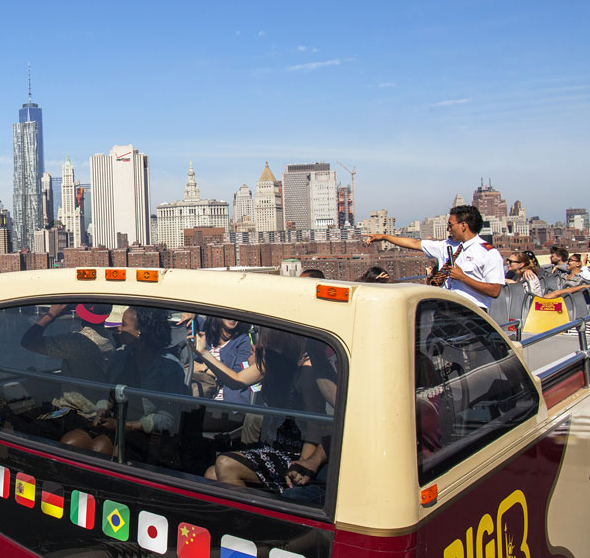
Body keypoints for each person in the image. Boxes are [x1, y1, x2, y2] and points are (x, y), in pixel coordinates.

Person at [196, 327, 333, 493]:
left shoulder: (306, 370)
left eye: (261, 333)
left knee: (225, 463)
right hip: (273, 448)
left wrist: (302, 466)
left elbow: (316, 427)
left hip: (294, 455)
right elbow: (236, 380)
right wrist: (203, 353)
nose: (257, 341)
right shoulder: (273, 362)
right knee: (211, 474)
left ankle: (245, 517)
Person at [60, 306, 186, 456]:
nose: (118, 328)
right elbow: (106, 392)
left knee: (100, 449)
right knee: (69, 443)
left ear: (141, 332)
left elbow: (167, 418)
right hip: (114, 424)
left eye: (124, 325)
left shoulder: (171, 368)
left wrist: (124, 426)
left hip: (145, 433)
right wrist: (101, 410)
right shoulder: (120, 357)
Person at [366, 205, 504, 311]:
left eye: (450, 225)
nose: (448, 229)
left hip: (472, 311)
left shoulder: (488, 253)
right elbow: (414, 243)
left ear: (463, 226)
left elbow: (494, 290)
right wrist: (383, 237)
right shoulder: (445, 246)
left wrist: (463, 278)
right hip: (445, 308)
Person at [20, 302, 114, 417]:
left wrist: (51, 315)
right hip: (95, 408)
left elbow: (28, 342)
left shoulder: (78, 342)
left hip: (75, 412)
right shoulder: (109, 337)